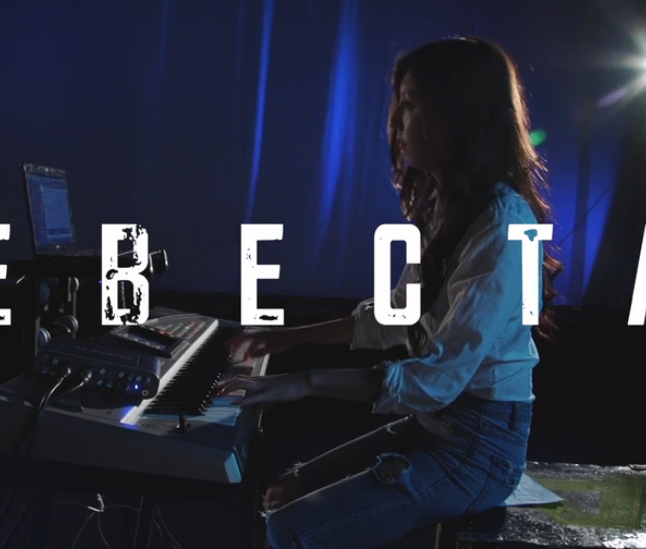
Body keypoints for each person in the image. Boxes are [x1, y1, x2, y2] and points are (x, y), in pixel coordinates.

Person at [216, 36, 563, 549]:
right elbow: (397, 313)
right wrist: (287, 338)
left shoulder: (503, 226)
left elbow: (438, 380)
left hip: (478, 449)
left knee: (292, 528)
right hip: (435, 424)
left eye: (411, 104)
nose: (396, 120)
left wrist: (303, 382)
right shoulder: (448, 204)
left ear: (458, 115)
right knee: (285, 490)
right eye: (399, 103)